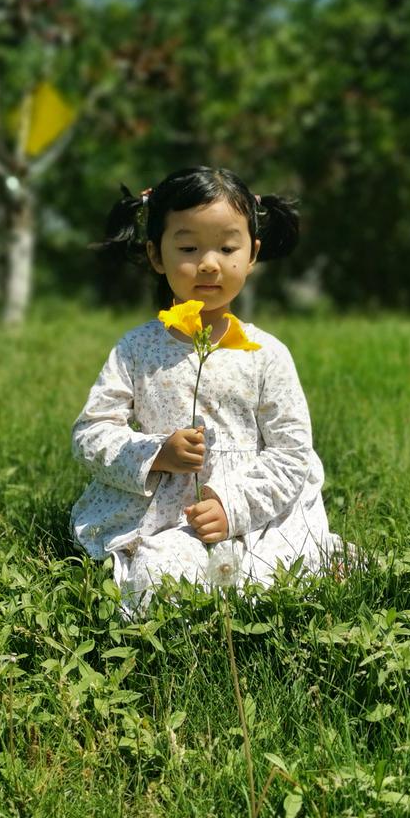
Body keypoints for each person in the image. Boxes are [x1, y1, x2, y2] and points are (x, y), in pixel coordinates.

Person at [69, 166, 351, 617]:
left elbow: (291, 453)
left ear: (253, 253)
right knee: (158, 584)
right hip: (165, 520)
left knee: (273, 583)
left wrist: (230, 505)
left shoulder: (266, 353)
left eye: (226, 247)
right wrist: (155, 453)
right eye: (187, 247)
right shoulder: (137, 349)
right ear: (156, 255)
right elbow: (91, 433)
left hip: (257, 513)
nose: (208, 263)